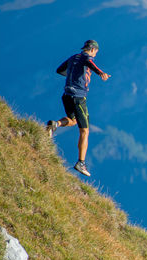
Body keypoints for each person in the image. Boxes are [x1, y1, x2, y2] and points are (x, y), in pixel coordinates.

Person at [46, 40, 110, 177]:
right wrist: (101, 73)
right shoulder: (87, 57)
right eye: (96, 52)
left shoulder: (73, 57)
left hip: (67, 95)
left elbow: (59, 70)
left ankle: (55, 124)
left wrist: (73, 74)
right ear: (92, 49)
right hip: (78, 98)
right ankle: (81, 163)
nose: (95, 55)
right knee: (85, 131)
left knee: (73, 120)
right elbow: (90, 63)